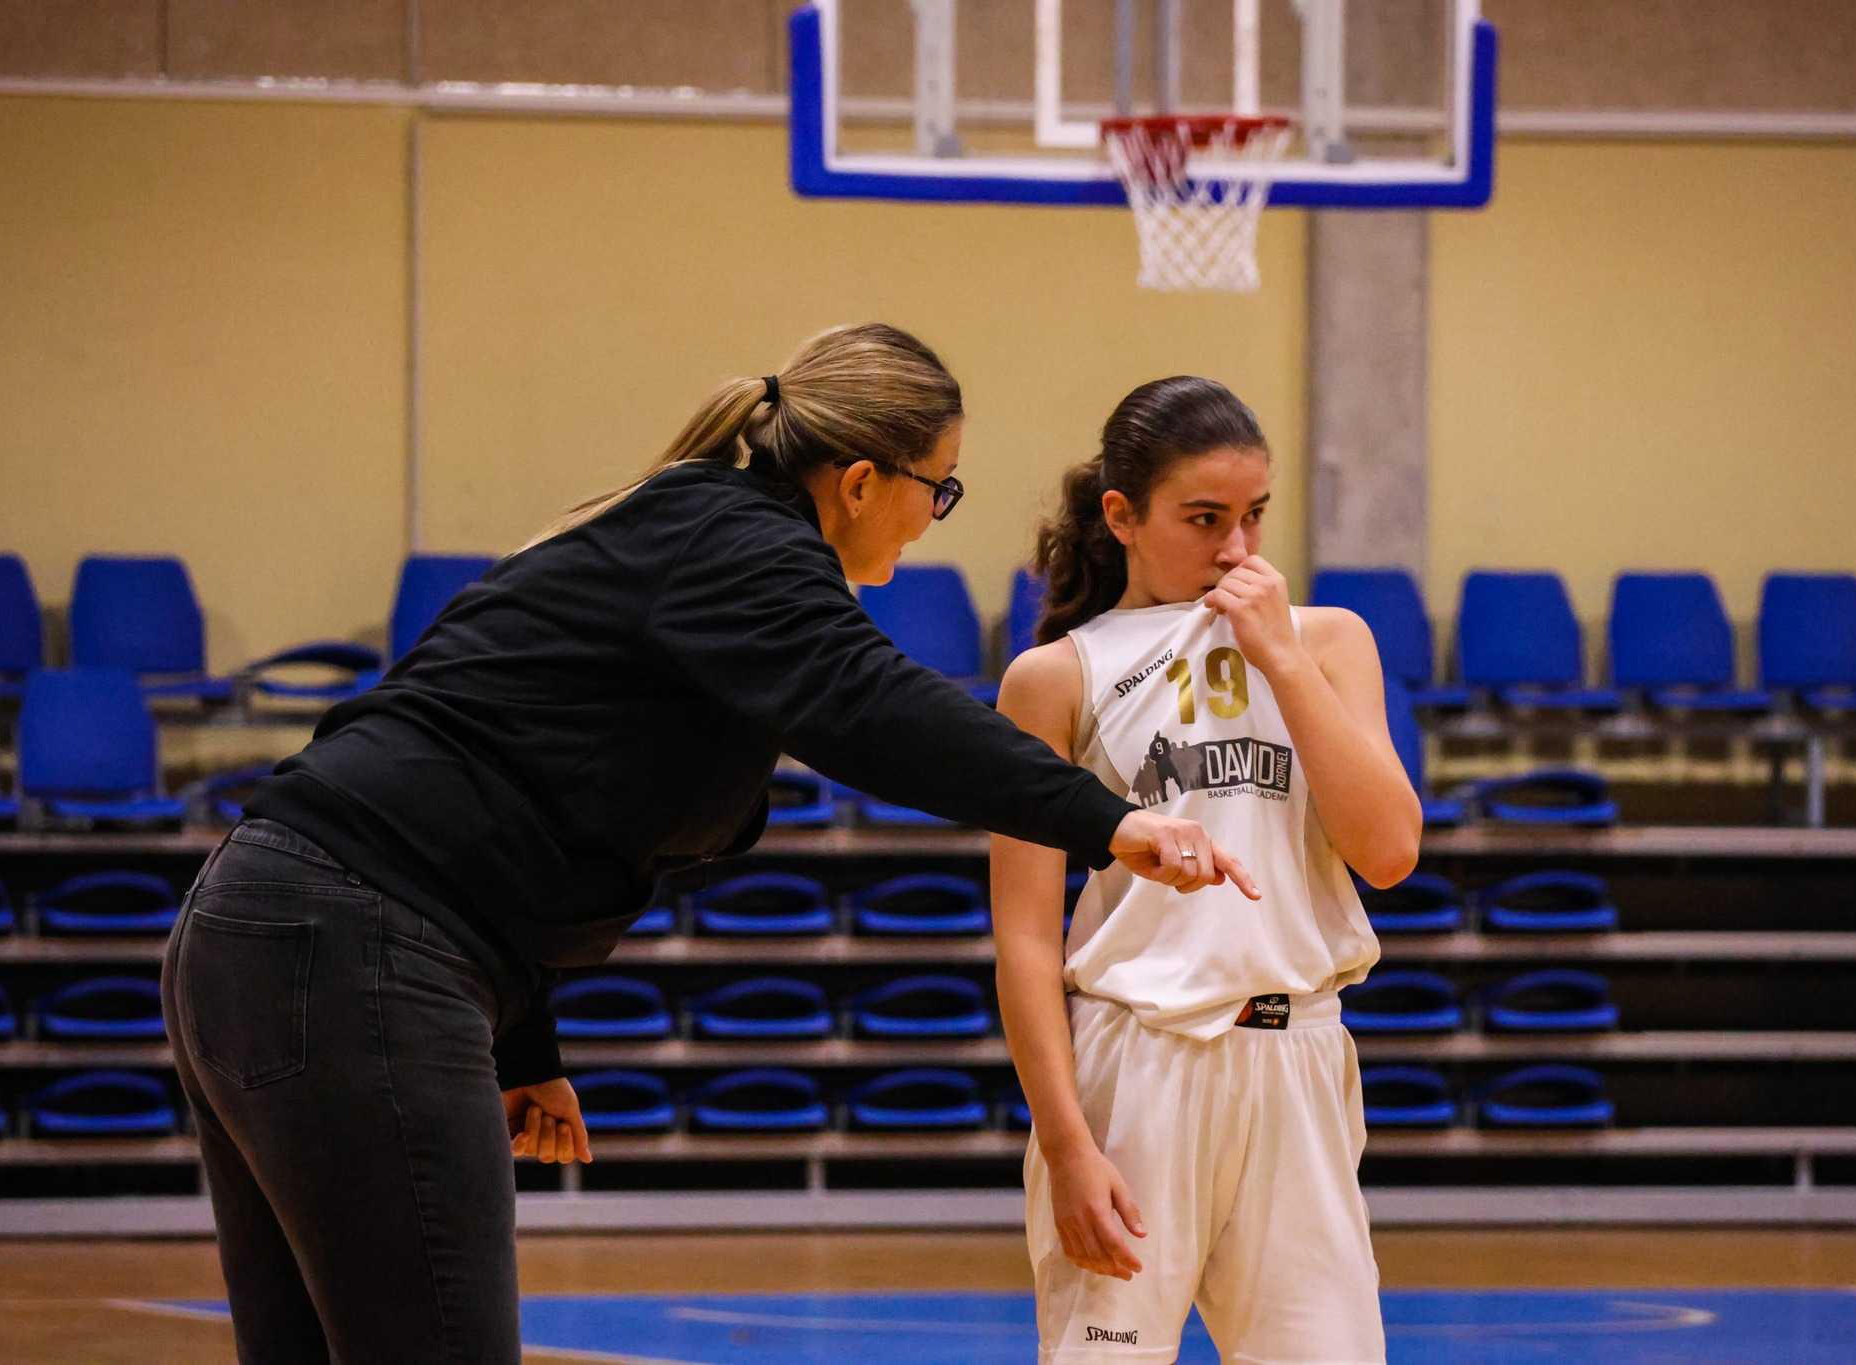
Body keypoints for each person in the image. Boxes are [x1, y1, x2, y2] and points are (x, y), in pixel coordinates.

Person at [159, 323, 1254, 1365]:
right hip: (347, 953)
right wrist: (1106, 819)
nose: (932, 519)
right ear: (860, 482)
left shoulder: (682, 528)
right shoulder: (740, 547)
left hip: (271, 933)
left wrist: (522, 1041)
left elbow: (495, 772)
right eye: (937, 488)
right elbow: (873, 706)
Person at [992, 376, 1422, 1364]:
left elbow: (1389, 852)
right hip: (1135, 1068)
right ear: (1122, 517)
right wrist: (1065, 1144)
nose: (1237, 548)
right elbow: (1023, 937)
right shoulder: (1056, 676)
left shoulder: (1328, 641)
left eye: (1253, 516)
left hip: (1299, 1057)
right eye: (1204, 519)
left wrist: (1282, 660)